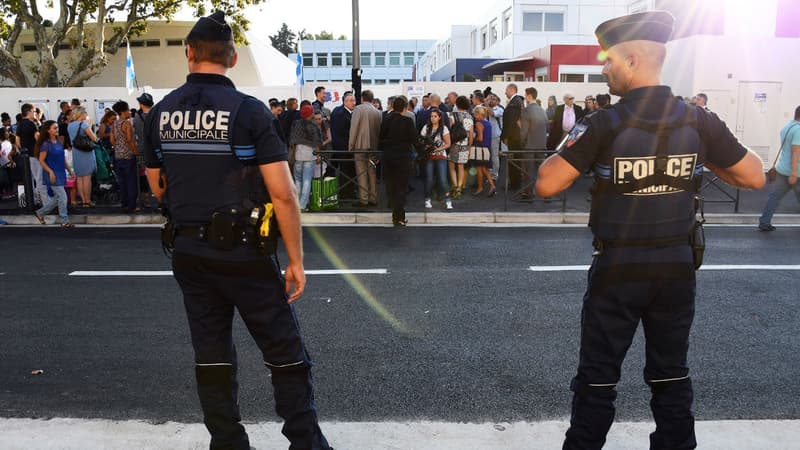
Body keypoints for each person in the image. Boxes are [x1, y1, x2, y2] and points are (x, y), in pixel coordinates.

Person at [535, 11, 765, 450]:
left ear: (634, 59)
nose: (603, 70)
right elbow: (753, 176)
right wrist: (700, 158)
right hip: (677, 267)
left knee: (598, 377)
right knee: (671, 372)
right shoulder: (699, 121)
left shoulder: (605, 122)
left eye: (608, 61)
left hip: (618, 267)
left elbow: (547, 183)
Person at [141, 12, 331, 450]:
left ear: (188, 53)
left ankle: (227, 442)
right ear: (232, 57)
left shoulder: (161, 112)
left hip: (188, 252)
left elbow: (157, 185)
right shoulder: (248, 111)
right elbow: (283, 195)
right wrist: (297, 261)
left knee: (211, 356)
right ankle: (305, 442)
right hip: (245, 254)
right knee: (285, 353)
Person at [758, 105, 800, 231]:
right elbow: (795, 151)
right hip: (795, 172)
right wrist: (793, 173)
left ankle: (764, 222)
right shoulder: (798, 130)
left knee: (774, 197)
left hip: (782, 169)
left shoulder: (787, 127)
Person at [379, 96, 417, 226]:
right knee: (401, 187)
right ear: (405, 108)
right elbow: (414, 140)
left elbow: (381, 138)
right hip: (403, 158)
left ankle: (395, 213)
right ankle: (399, 217)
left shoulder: (386, 119)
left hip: (388, 157)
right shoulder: (408, 121)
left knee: (391, 186)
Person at [33, 120, 74, 227]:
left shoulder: (59, 142)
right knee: (63, 196)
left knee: (57, 198)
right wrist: (50, 171)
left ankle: (40, 213)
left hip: (60, 172)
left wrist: (70, 171)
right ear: (48, 130)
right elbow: (41, 161)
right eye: (54, 128)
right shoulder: (46, 144)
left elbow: (63, 158)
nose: (57, 130)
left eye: (57, 128)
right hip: (51, 174)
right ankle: (64, 221)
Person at [349, 89, 382, 207]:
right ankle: (373, 197)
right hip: (373, 146)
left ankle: (364, 199)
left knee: (361, 173)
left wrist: (351, 145)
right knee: (372, 172)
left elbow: (354, 128)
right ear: (372, 99)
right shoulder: (377, 112)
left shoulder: (358, 109)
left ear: (362, 98)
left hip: (360, 145)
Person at [290, 105, 324, 211]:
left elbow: (292, 139)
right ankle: (303, 205)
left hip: (298, 154)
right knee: (307, 180)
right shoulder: (314, 126)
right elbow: (318, 142)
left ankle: (296, 204)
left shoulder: (296, 124)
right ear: (310, 114)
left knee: (298, 180)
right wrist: (318, 155)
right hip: (310, 154)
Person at [110, 101, 140, 213]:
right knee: (131, 182)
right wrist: (136, 151)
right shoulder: (126, 124)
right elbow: (130, 140)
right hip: (128, 156)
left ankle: (124, 204)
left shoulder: (114, 124)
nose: (129, 112)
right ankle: (133, 206)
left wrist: (118, 147)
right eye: (128, 110)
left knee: (122, 182)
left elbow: (112, 140)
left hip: (118, 156)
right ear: (123, 112)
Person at [419, 109, 452, 210]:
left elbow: (448, 143)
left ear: (439, 117)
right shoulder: (426, 127)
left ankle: (448, 200)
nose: (433, 118)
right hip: (429, 156)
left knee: (443, 179)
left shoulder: (444, 128)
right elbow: (421, 141)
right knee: (429, 179)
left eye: (435, 116)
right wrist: (426, 146)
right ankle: (427, 199)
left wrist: (438, 148)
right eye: (431, 116)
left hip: (441, 156)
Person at [520, 87, 549, 197]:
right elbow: (546, 126)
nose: (525, 98)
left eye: (525, 95)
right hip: (542, 144)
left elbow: (524, 131)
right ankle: (545, 192)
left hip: (530, 145)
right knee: (541, 170)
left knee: (529, 170)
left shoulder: (527, 110)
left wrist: (522, 142)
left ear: (529, 96)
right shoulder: (542, 110)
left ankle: (529, 193)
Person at [67, 106, 98, 207]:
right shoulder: (84, 125)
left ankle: (83, 200)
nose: (86, 114)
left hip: (76, 152)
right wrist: (90, 125)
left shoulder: (70, 125)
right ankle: (87, 201)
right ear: (81, 114)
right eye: (85, 112)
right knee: (87, 178)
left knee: (80, 178)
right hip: (86, 152)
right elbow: (94, 138)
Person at [18, 103, 44, 205]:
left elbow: (17, 139)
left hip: (25, 155)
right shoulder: (32, 124)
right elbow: (38, 138)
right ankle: (42, 200)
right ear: (29, 112)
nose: (34, 113)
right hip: (34, 154)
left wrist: (22, 149)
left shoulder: (20, 124)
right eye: (33, 111)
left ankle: (31, 200)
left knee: (29, 179)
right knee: (39, 178)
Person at [448, 96, 473, 199]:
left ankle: (454, 186)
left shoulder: (452, 115)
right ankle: (459, 187)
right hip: (464, 145)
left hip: (453, 144)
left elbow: (449, 131)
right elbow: (471, 134)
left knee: (452, 166)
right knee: (461, 167)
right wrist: (469, 146)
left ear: (457, 104)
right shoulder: (470, 117)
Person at [501, 84, 526, 189]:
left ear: (511, 90)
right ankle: (514, 183)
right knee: (515, 161)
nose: (505, 92)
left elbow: (510, 122)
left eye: (506, 90)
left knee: (514, 162)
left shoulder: (514, 103)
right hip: (515, 137)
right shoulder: (517, 101)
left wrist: (506, 137)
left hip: (514, 138)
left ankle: (515, 184)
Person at [470, 106, 496, 197]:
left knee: (480, 169)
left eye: (475, 114)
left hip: (480, 148)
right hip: (487, 148)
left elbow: (480, 138)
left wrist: (473, 138)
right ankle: (491, 186)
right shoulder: (488, 123)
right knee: (485, 169)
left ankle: (481, 188)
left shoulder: (478, 124)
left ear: (479, 114)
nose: (474, 116)